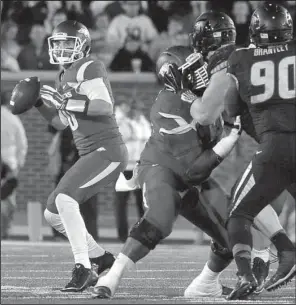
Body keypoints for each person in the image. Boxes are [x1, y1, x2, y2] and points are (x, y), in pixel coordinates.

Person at [91, 44, 268, 299]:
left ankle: (206, 285)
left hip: (193, 178)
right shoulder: (169, 105)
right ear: (173, 75)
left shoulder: (205, 99)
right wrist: (227, 142)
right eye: (193, 71)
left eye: (201, 69)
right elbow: (194, 170)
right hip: (163, 171)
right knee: (162, 218)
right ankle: (113, 275)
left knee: (234, 232)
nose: (202, 75)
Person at [183, 9, 296, 299]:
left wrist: (188, 94)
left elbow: (209, 112)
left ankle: (259, 262)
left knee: (239, 208)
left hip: (272, 145)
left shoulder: (238, 60)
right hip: (278, 141)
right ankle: (270, 254)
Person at [20, 20, 128, 292]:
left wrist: (66, 101)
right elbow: (60, 122)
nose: (62, 49)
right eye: (58, 44)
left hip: (108, 150)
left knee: (65, 199)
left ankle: (83, 267)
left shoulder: (90, 66)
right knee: (52, 213)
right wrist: (39, 104)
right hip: (89, 152)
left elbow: (103, 107)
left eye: (68, 43)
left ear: (82, 44)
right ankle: (100, 258)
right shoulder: (63, 75)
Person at [1, 91, 28, 239]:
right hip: (9, 163)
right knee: (6, 199)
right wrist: (19, 163)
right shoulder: (12, 118)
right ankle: (4, 231)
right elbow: (21, 142)